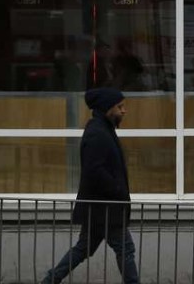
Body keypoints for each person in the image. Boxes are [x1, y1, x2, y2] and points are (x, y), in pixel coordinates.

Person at [42, 87, 138, 284]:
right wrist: (117, 190)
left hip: (100, 208)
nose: (123, 111)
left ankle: (50, 280)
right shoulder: (98, 133)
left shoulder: (102, 129)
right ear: (107, 108)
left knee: (82, 248)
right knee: (125, 249)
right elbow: (94, 170)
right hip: (105, 209)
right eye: (119, 107)